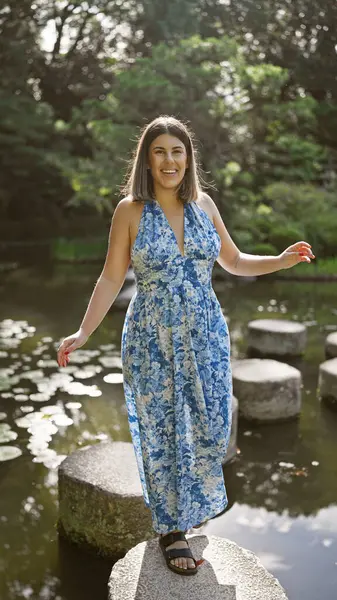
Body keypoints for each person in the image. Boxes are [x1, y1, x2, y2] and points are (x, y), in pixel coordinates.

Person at [57, 115, 315, 576]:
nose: (169, 160)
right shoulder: (130, 211)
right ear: (147, 159)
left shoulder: (205, 206)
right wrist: (83, 332)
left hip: (206, 333)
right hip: (152, 336)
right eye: (160, 151)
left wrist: (280, 259)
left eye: (177, 151)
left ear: (188, 157)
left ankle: (189, 509)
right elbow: (112, 277)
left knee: (210, 425)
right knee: (164, 432)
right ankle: (172, 530)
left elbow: (233, 261)